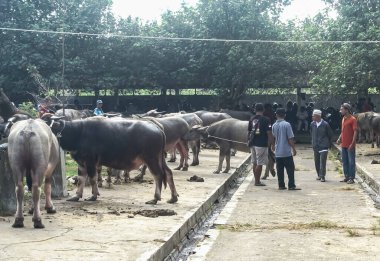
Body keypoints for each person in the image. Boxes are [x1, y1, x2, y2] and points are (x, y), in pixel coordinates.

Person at [272, 108, 300, 190]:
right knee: (290, 169)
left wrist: (273, 146)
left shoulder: (274, 125)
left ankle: (281, 185)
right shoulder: (287, 124)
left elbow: (274, 137)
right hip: (286, 152)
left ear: (276, 115)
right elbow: (290, 139)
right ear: (285, 115)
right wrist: (294, 149)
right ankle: (291, 185)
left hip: (278, 152)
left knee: (279, 170)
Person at [248, 103, 274, 186]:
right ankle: (257, 182)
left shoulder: (251, 119)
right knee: (260, 163)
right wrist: (272, 143)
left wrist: (248, 141)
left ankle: (256, 180)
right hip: (262, 144)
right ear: (263, 110)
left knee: (254, 163)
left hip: (252, 143)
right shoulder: (267, 120)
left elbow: (249, 132)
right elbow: (269, 133)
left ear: (255, 110)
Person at [310, 109, 334, 182]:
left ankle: (322, 176)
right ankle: (319, 175)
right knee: (316, 162)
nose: (312, 117)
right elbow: (311, 133)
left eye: (313, 116)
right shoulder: (312, 124)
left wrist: (327, 143)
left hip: (323, 146)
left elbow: (330, 134)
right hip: (316, 146)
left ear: (318, 116)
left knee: (322, 162)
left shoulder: (325, 124)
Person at [336, 103, 357, 184]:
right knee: (344, 161)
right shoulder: (343, 118)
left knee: (351, 162)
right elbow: (342, 131)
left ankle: (351, 178)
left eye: (342, 109)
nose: (340, 111)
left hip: (350, 144)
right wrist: (339, 138)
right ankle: (346, 176)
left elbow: (355, 132)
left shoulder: (353, 119)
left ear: (347, 110)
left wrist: (352, 143)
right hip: (343, 144)